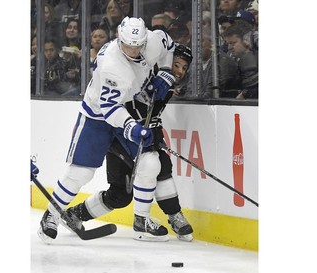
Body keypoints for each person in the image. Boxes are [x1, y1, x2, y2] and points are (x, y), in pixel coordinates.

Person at [38, 16, 176, 243]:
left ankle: (141, 221)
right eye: (127, 46)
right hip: (98, 116)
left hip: (128, 108)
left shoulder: (153, 40)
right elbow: (109, 108)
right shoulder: (111, 65)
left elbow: (169, 44)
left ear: (144, 40)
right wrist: (131, 126)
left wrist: (166, 71)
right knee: (81, 172)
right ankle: (51, 215)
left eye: (137, 45)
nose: (133, 51)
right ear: (118, 39)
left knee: (150, 162)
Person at [64, 44, 194, 242]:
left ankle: (173, 215)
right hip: (120, 136)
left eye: (184, 68)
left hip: (143, 134)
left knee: (160, 167)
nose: (179, 71)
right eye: (176, 65)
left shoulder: (167, 84)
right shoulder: (145, 74)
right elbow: (121, 107)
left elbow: (153, 116)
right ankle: (75, 215)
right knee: (121, 194)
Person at [222, 23, 258, 99]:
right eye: (228, 44)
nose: (229, 48)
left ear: (246, 40)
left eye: (233, 43)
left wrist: (245, 94)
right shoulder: (231, 58)